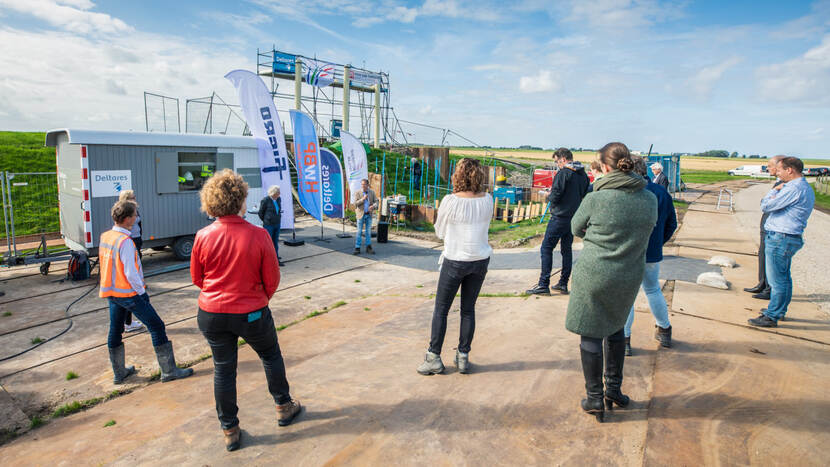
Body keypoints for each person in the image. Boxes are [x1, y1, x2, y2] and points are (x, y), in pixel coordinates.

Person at [192, 169, 301, 451]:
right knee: (270, 355)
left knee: (223, 370)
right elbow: (272, 279)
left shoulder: (203, 236)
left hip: (212, 313)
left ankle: (230, 430)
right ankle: (283, 407)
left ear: (211, 202)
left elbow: (197, 278)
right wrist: (257, 299)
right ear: (241, 200)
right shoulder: (259, 235)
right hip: (251, 312)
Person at [565, 142, 657, 422]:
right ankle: (614, 391)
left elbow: (575, 228)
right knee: (616, 328)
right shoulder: (649, 198)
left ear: (605, 167)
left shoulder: (596, 198)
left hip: (594, 272)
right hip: (628, 274)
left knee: (590, 334)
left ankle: (594, 398)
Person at [102, 200, 193, 386]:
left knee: (115, 330)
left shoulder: (107, 236)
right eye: (135, 214)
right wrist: (141, 292)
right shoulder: (126, 242)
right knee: (157, 326)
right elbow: (131, 273)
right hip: (129, 294)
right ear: (127, 219)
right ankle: (169, 371)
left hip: (112, 292)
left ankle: (119, 373)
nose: (137, 217)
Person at [417, 158, 493, 375]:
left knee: (441, 309)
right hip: (479, 260)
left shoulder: (451, 201)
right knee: (468, 310)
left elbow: (439, 232)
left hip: (455, 259)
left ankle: (433, 357)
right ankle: (463, 356)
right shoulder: (488, 199)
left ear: (458, 175)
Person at [748, 157, 814, 328]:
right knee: (783, 278)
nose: (777, 173)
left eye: (780, 170)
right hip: (785, 237)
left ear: (790, 170)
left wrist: (774, 191)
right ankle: (778, 310)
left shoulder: (793, 188)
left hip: (781, 237)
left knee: (777, 281)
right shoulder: (802, 187)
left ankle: (772, 315)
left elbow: (767, 206)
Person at [623, 157, 677, 355]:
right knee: (653, 290)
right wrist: (658, 243)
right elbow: (672, 224)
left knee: (627, 296)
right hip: (652, 252)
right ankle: (664, 329)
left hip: (628, 252)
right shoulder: (660, 192)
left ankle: (625, 339)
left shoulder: (626, 192)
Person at [527, 148, 589, 296]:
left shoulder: (563, 173)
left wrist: (548, 195)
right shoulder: (583, 175)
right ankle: (563, 283)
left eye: (556, 161)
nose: (557, 164)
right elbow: (583, 194)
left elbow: (555, 197)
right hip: (573, 217)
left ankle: (543, 284)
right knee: (566, 250)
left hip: (560, 217)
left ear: (563, 159)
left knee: (546, 248)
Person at [744, 156, 785, 300]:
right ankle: (762, 283)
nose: (768, 168)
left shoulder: (786, 185)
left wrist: (769, 198)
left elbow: (767, 204)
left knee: (771, 258)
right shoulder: (779, 183)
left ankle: (769, 289)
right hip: (767, 222)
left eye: (770, 166)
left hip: (773, 225)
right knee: (763, 254)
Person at [118, 190, 144, 333]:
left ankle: (126, 323)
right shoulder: (126, 212)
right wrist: (141, 291)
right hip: (132, 239)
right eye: (133, 197)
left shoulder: (133, 210)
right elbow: (130, 271)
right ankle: (127, 323)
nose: (135, 198)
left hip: (136, 239)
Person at [258, 185, 285, 267]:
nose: (279, 194)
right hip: (268, 225)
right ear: (273, 193)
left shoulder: (278, 199)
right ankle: (268, 259)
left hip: (277, 223)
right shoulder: (266, 200)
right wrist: (266, 220)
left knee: (275, 242)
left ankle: (275, 258)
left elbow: (279, 210)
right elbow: (260, 212)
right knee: (268, 243)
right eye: (278, 192)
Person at [352, 178, 378, 255]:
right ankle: (357, 247)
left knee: (368, 232)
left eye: (364, 184)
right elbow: (355, 204)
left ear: (368, 185)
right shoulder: (358, 193)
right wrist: (362, 199)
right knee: (359, 232)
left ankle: (368, 247)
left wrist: (373, 206)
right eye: (362, 184)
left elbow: (377, 201)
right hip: (360, 215)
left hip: (368, 214)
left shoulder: (371, 192)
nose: (363, 186)